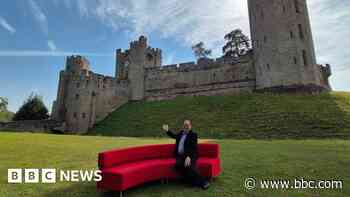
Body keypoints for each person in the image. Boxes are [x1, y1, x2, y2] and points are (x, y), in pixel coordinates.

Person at [162, 119, 210, 189]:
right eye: (184, 125)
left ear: (190, 126)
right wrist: (167, 130)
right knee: (177, 165)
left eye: (187, 125)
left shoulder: (193, 135)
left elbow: (194, 148)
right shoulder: (181, 133)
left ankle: (204, 182)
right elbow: (174, 136)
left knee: (190, 167)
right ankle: (191, 181)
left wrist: (188, 157)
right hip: (181, 156)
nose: (186, 126)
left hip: (191, 155)